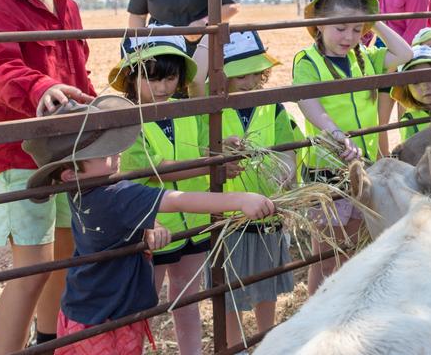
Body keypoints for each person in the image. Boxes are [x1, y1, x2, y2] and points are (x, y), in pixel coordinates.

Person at [20, 95, 274, 354]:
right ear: (71, 173)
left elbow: (117, 221)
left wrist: (149, 223)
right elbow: (177, 201)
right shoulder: (116, 194)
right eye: (105, 152)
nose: (118, 151)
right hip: (113, 316)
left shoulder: (77, 189)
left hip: (81, 308)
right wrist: (240, 200)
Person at [0, 0, 105, 353]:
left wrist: (99, 116)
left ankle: (47, 340)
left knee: (63, 256)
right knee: (31, 269)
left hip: (65, 149)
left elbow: (79, 71)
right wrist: (40, 87)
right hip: (17, 153)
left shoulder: (67, 6)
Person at [109, 33, 241, 355]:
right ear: (131, 77)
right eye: (151, 78)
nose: (162, 87)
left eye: (169, 77)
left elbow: (205, 146)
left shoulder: (187, 110)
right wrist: (213, 165)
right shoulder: (128, 121)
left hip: (192, 225)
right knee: (143, 307)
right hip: (152, 229)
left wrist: (227, 148)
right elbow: (160, 169)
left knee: (188, 300)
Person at [293, 0, 412, 294]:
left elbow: (405, 54)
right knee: (326, 255)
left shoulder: (367, 60)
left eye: (358, 28)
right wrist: (334, 133)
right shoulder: (308, 61)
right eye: (341, 27)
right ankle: (318, 310)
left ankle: (342, 306)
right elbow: (310, 104)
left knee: (352, 248)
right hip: (328, 169)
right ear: (318, 23)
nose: (349, 36)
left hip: (363, 167)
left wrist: (376, 22)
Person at [195, 30, 297, 348]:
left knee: (266, 284)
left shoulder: (271, 106)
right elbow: (198, 151)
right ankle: (235, 345)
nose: (250, 81)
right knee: (231, 291)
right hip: (231, 218)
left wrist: (286, 173)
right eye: (240, 75)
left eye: (255, 73)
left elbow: (289, 146)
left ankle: (267, 340)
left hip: (267, 212)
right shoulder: (209, 111)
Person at [354, 0, 431, 157]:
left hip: (412, 59)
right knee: (378, 119)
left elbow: (417, 30)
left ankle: (410, 161)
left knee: (406, 118)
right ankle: (382, 162)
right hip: (384, 59)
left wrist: (395, 64)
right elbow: (367, 32)